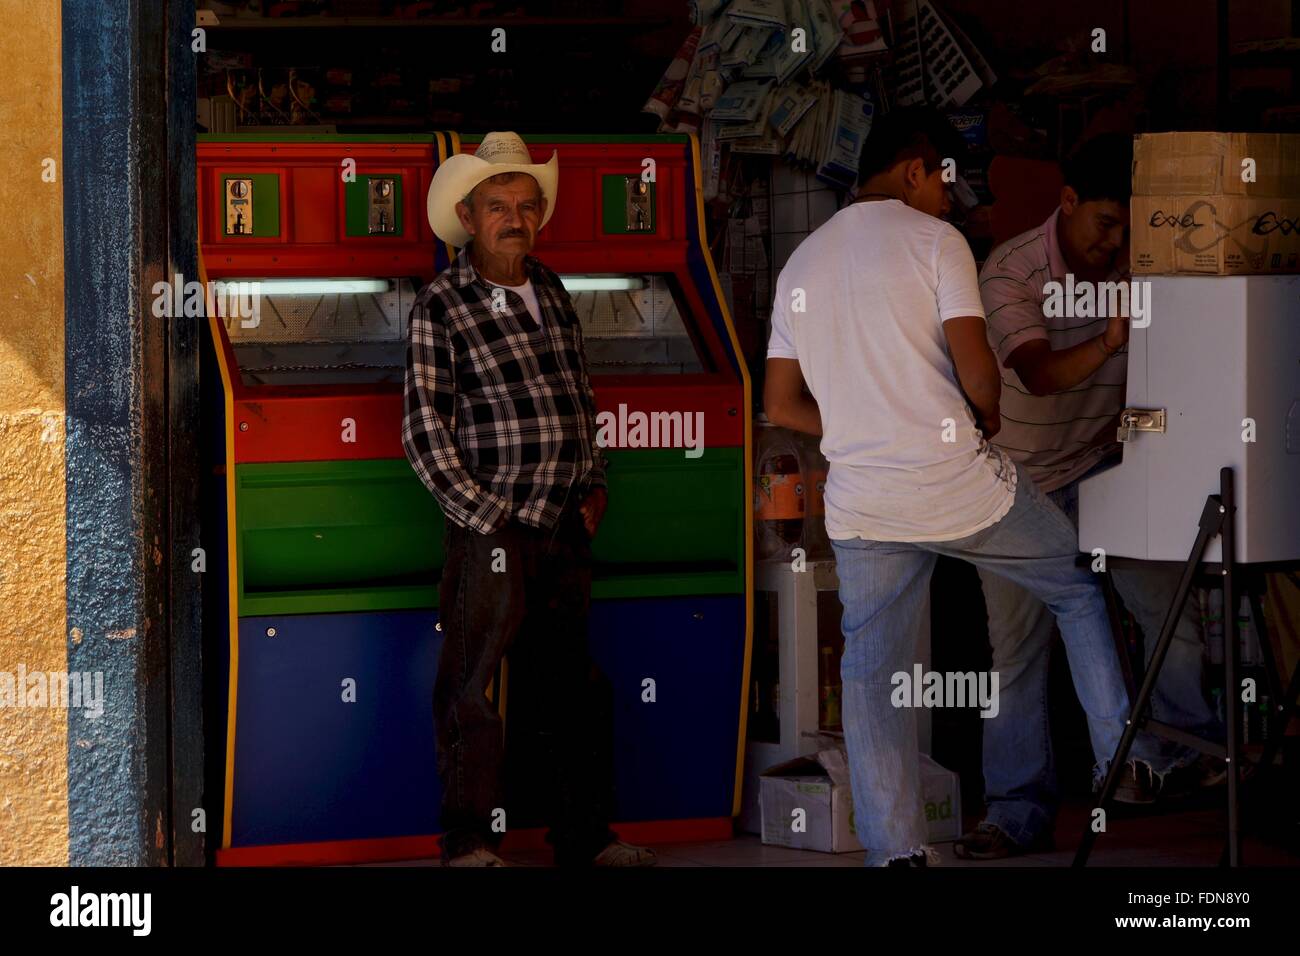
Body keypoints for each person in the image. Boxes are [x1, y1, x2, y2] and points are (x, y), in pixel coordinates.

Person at [763, 108, 1136, 866]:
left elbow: (778, 404)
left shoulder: (801, 262)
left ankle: (894, 853)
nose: (951, 195)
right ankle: (1120, 760)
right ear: (914, 169)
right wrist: (986, 417)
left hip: (865, 504)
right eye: (945, 178)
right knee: (1073, 586)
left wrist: (858, 426)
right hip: (957, 486)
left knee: (871, 676)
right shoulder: (939, 243)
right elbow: (979, 375)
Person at [954, 133, 1223, 860]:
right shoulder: (1010, 270)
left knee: (1168, 607)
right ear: (1066, 204)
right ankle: (1015, 811)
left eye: (1131, 230)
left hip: (1106, 462)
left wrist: (1143, 433)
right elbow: (1037, 375)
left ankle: (1182, 761)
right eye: (1106, 224)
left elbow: (1167, 380)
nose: (1117, 244)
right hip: (1015, 482)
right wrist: (1109, 342)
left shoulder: (1142, 263)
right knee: (1016, 653)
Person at [403, 131, 655, 868]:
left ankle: (585, 836)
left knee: (573, 686)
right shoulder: (441, 304)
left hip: (564, 524)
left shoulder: (550, 288)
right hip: (494, 528)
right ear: (469, 217)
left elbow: (580, 395)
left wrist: (597, 478)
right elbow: (424, 430)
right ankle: (469, 841)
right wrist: (487, 522)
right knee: (472, 686)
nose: (514, 218)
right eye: (497, 206)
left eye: (525, 204)